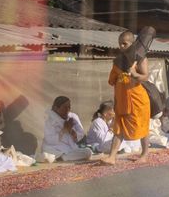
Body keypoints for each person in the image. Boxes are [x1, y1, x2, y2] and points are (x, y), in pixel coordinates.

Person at [103, 31, 151, 164]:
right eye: (120, 44)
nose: (122, 46)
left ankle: (145, 154)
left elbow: (145, 76)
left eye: (124, 43)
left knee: (143, 127)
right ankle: (112, 157)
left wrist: (134, 74)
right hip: (122, 99)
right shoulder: (118, 61)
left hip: (138, 100)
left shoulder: (140, 58)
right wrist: (121, 76)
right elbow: (112, 80)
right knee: (118, 128)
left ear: (132, 43)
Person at [40, 96, 93, 162]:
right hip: (53, 148)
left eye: (69, 107)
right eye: (65, 107)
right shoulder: (49, 120)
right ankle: (61, 157)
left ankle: (61, 157)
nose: (68, 109)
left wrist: (70, 130)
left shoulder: (72, 117)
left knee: (88, 152)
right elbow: (50, 140)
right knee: (48, 153)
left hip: (68, 149)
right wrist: (63, 130)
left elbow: (81, 134)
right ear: (56, 108)